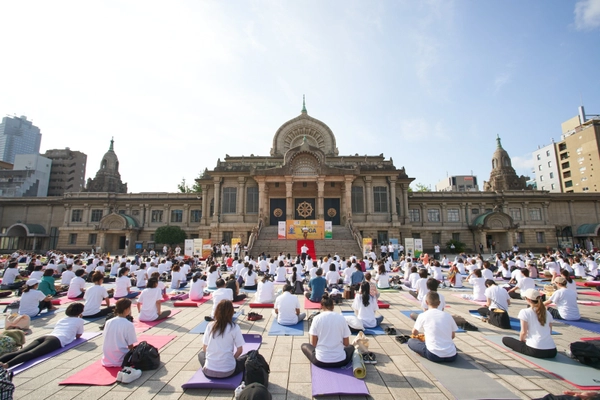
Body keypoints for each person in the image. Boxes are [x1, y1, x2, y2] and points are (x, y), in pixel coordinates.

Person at [0, 302, 84, 368]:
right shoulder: (79, 321)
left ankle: (2, 361)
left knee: (21, 351)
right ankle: (7, 365)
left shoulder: (62, 319)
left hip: (46, 336)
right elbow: (78, 335)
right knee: (32, 353)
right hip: (56, 340)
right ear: (80, 312)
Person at [301, 293, 354, 368]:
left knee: (304, 346)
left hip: (320, 360)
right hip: (341, 361)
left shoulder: (316, 318)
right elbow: (346, 343)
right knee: (351, 347)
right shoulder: (341, 318)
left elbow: (313, 343)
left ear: (321, 306)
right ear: (333, 306)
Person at [502, 288, 557, 359]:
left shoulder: (525, 312)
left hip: (535, 350)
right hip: (552, 351)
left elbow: (523, 332)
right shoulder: (547, 313)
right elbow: (549, 331)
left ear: (528, 299)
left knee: (505, 339)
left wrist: (522, 342)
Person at [198, 300, 246, 378]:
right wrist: (232, 359)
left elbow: (204, 348)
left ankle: (212, 365)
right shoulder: (234, 327)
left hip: (209, 371)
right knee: (247, 357)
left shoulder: (210, 326)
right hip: (228, 372)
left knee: (201, 354)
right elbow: (240, 350)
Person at [407, 291, 458, 363]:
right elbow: (452, 336)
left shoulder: (423, 315)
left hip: (433, 355)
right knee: (450, 345)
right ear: (439, 303)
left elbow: (414, 332)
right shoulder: (448, 316)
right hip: (451, 356)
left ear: (426, 302)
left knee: (410, 341)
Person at [102, 298, 137, 367]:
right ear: (127, 309)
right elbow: (130, 345)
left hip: (107, 358)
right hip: (121, 359)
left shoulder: (108, 322)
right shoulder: (128, 324)